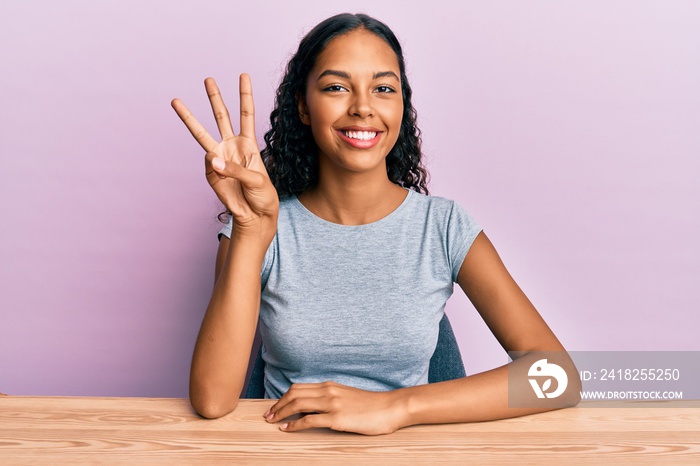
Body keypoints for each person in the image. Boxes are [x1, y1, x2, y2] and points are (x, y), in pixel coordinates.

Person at [171, 13, 580, 435]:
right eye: (336, 87)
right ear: (303, 107)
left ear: (402, 104)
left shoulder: (442, 227)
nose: (363, 107)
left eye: (384, 88)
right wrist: (252, 232)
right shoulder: (256, 227)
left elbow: (558, 377)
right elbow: (213, 401)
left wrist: (395, 407)